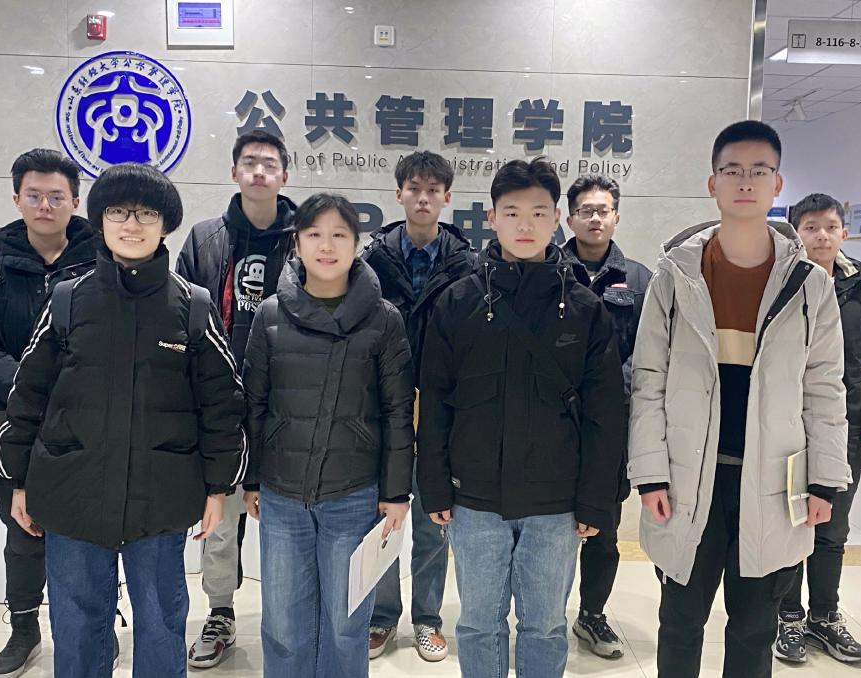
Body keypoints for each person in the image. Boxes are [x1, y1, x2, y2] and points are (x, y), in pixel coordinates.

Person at [0, 162, 246, 678]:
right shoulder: (67, 300)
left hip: (161, 498)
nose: (132, 224)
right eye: (118, 212)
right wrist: (18, 479)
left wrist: (218, 488)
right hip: (72, 493)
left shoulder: (193, 306)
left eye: (146, 213)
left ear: (166, 224)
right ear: (100, 220)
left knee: (161, 622)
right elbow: (28, 395)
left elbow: (222, 406)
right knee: (78, 625)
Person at [628, 121, 851, 678]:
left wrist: (825, 480)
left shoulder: (810, 285)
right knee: (680, 623)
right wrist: (650, 474)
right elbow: (649, 379)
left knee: (754, 628)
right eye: (732, 170)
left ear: (778, 184)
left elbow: (824, 388)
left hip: (774, 482)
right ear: (713, 183)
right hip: (688, 479)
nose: (745, 182)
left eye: (758, 170)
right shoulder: (676, 275)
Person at [417, 157, 626, 678]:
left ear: (557, 218)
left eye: (538, 212)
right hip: (474, 499)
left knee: (546, 625)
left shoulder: (585, 308)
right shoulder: (456, 302)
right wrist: (435, 486)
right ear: (491, 217)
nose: (525, 225)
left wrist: (595, 499)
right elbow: (435, 402)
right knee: (477, 624)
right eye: (511, 212)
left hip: (556, 503)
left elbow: (605, 413)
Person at [241, 193, 415, 678]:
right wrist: (251, 479)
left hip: (353, 494)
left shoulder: (384, 318)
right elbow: (254, 403)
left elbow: (398, 411)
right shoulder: (270, 314)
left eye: (339, 235)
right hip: (282, 494)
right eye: (314, 234)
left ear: (356, 244)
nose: (326, 246)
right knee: (283, 623)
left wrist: (396, 491)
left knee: (346, 623)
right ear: (296, 243)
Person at [0, 148, 95, 677]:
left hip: (84, 416)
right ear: (17, 199)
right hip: (10, 417)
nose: (44, 205)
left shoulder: (101, 261)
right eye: (34, 195)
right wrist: (25, 385)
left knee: (88, 529)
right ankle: (23, 628)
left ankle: (92, 624)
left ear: (74, 201)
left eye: (56, 196)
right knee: (23, 530)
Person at [175, 129, 296, 668]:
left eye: (269, 163)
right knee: (220, 519)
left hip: (287, 400)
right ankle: (220, 612)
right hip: (220, 398)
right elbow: (180, 315)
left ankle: (289, 618)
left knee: (284, 519)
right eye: (249, 162)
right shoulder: (204, 239)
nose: (259, 172)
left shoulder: (307, 236)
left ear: (284, 175)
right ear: (234, 172)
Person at [361, 150, 475, 662]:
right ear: (399, 194)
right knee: (384, 516)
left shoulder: (468, 264)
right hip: (382, 406)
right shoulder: (371, 262)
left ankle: (428, 619)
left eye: (433, 190)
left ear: (447, 197)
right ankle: (383, 617)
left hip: (441, 408)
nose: (423, 197)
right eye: (414, 188)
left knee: (434, 517)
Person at [774, 193, 861, 665]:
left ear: (844, 232)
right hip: (787, 422)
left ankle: (824, 616)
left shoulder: (860, 285)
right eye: (810, 227)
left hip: (845, 422)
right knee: (790, 524)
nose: (821, 235)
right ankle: (788, 617)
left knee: (832, 528)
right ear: (796, 233)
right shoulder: (781, 281)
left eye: (829, 226)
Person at [561, 173, 651, 658]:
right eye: (585, 210)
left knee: (604, 527)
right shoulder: (549, 270)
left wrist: (609, 389)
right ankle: (543, 614)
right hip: (554, 421)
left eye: (603, 210)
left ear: (616, 216)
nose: (594, 218)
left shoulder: (638, 279)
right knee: (549, 528)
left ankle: (592, 615)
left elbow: (650, 349)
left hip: (610, 424)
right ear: (569, 217)